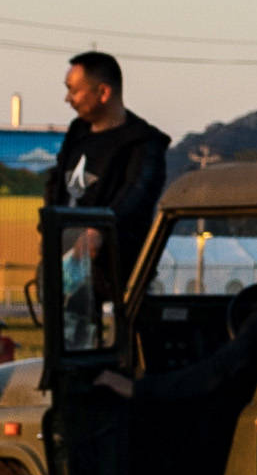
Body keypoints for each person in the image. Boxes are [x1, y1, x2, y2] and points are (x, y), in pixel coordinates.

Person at [41, 52, 169, 320]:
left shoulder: (143, 144)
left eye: (74, 91)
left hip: (115, 277)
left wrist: (98, 232)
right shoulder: (77, 133)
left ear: (103, 92)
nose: (68, 99)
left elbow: (138, 194)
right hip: (66, 270)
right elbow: (57, 183)